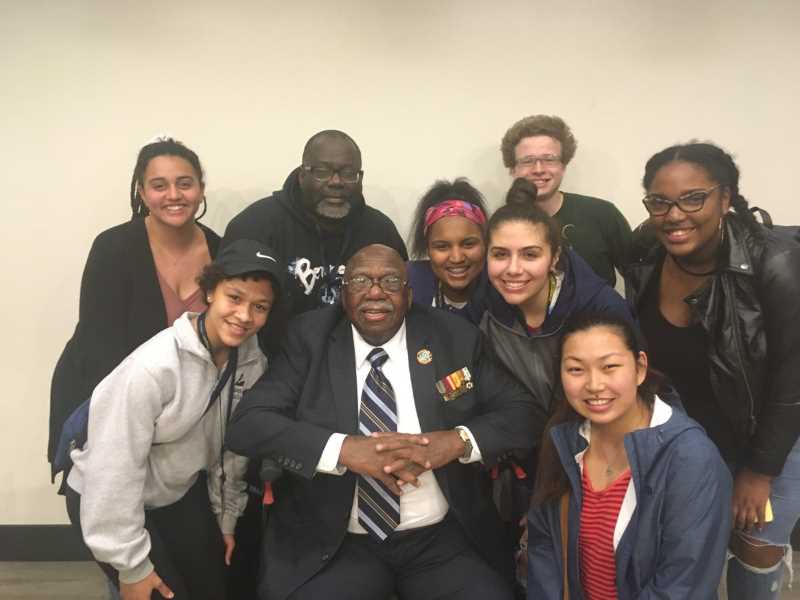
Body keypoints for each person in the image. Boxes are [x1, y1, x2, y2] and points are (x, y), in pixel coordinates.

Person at [226, 244, 545, 600]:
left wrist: (453, 443)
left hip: (442, 541)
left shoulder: (452, 336)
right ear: (343, 294)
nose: (375, 292)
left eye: (391, 281)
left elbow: (524, 413)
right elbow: (248, 425)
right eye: (361, 280)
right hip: (335, 544)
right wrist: (344, 450)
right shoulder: (309, 338)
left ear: (409, 295)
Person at [626, 142, 800, 599]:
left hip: (769, 435)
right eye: (660, 202)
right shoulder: (646, 248)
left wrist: (760, 471)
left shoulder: (774, 262)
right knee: (688, 547)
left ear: (725, 198)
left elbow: (791, 377)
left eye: (693, 198)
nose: (675, 214)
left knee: (755, 548)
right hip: (688, 436)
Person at [64, 239, 283, 600]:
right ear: (211, 291)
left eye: (260, 307)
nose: (244, 316)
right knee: (160, 593)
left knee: (215, 590)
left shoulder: (251, 362)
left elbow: (234, 448)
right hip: (109, 497)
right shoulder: (151, 369)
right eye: (235, 298)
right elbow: (113, 469)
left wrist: (225, 520)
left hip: (175, 493)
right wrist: (131, 566)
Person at [527, 312, 732, 599]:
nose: (595, 385)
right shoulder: (563, 439)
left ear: (639, 368)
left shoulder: (691, 459)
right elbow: (544, 548)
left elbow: (682, 584)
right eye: (576, 370)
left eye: (609, 367)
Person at [49, 137, 219, 473]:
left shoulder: (221, 251)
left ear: (200, 188)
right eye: (159, 185)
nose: (173, 195)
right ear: (142, 192)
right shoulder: (113, 247)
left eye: (184, 184)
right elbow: (99, 345)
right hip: (107, 400)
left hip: (183, 417)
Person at [222, 129, 407, 348]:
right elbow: (228, 310)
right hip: (273, 364)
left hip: (357, 364)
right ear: (302, 175)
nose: (335, 182)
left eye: (348, 173)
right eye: (322, 171)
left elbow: (402, 301)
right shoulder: (255, 226)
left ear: (360, 179)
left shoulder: (380, 231)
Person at [500, 114, 631, 287]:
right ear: (512, 169)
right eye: (527, 161)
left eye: (549, 159)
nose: (538, 169)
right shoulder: (502, 226)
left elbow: (638, 276)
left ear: (563, 165)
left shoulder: (602, 214)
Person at [406, 178, 488, 316]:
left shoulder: (504, 290)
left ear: (485, 242)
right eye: (442, 247)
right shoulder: (410, 287)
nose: (457, 258)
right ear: (427, 248)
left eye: (468, 244)